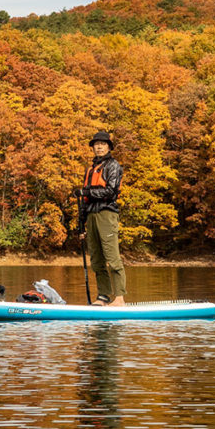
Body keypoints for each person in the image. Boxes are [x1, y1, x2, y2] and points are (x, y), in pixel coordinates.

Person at [78, 131, 126, 307]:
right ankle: (103, 296)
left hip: (107, 214)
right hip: (91, 216)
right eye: (96, 144)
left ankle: (119, 298)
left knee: (112, 257)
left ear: (108, 147)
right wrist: (81, 224)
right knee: (96, 260)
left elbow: (111, 191)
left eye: (102, 144)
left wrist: (87, 192)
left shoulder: (113, 166)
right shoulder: (90, 169)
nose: (98, 146)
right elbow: (84, 200)